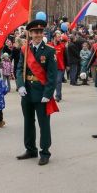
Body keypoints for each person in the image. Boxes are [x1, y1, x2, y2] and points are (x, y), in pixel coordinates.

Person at [15, 19, 57, 166]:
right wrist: (20, 85)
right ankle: (30, 149)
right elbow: (19, 69)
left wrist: (48, 93)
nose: (37, 35)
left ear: (43, 33)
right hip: (27, 92)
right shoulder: (24, 50)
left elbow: (52, 75)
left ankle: (45, 152)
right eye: (34, 32)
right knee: (28, 122)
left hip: (41, 93)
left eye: (40, 32)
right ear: (30, 33)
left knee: (43, 124)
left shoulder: (50, 51)